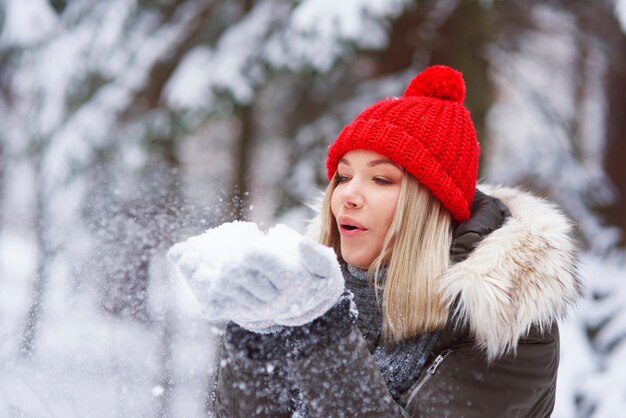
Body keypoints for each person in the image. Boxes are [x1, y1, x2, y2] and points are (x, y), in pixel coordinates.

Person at [168, 65, 582, 417]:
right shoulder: (313, 289)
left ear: (430, 207)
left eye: (382, 179)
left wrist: (322, 334)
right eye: (343, 176)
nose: (347, 194)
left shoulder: (506, 324)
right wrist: (256, 334)